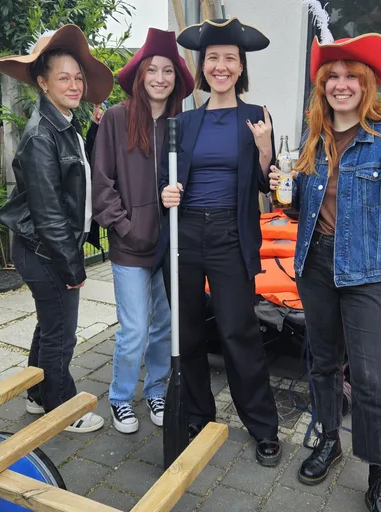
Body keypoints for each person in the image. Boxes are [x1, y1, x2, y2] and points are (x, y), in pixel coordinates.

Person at [270, 34, 381, 511]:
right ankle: (327, 440)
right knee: (321, 364)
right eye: (333, 78)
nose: (341, 86)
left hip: (365, 271)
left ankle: (378, 473)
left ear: (366, 86)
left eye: (351, 78)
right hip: (315, 264)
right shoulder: (314, 136)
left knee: (366, 377)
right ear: (323, 86)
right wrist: (285, 186)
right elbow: (302, 209)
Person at [158, 17, 282, 467]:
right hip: (186, 232)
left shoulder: (257, 117)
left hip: (231, 233)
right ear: (203, 67)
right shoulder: (185, 121)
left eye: (230, 58)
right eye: (213, 59)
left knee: (238, 331)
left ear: (240, 66)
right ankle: (197, 414)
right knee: (188, 331)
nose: (221, 66)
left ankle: (263, 427)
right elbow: (165, 178)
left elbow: (270, 186)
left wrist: (266, 150)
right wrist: (165, 192)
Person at [0, 25, 113, 433]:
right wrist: (73, 268)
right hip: (46, 251)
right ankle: (65, 411)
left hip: (45, 249)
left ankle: (37, 394)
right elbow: (49, 215)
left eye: (78, 77)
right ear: (43, 83)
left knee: (49, 325)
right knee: (62, 334)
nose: (74, 85)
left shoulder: (63, 122)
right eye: (64, 77)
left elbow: (79, 175)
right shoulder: (43, 134)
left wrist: (94, 130)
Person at [91, 28, 194, 434]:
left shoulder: (180, 124)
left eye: (168, 70)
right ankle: (119, 397)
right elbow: (102, 184)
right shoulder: (116, 119)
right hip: (131, 246)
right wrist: (126, 227)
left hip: (170, 247)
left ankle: (155, 390)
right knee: (133, 330)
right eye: (152, 69)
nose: (160, 78)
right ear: (140, 74)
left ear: (176, 79)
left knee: (164, 328)